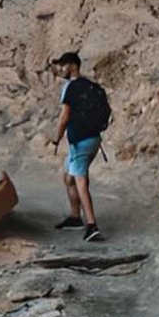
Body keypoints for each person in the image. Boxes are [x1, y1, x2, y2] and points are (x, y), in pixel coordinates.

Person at [49, 52, 108, 242]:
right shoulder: (91, 86)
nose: (60, 69)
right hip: (93, 139)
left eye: (63, 65)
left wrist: (56, 138)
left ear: (72, 66)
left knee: (80, 180)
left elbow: (65, 116)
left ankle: (91, 225)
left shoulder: (71, 87)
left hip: (80, 141)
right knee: (68, 177)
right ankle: (75, 217)